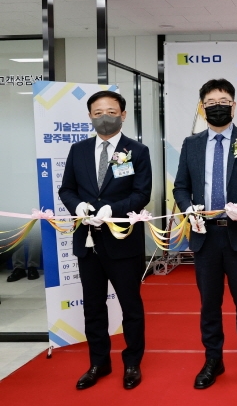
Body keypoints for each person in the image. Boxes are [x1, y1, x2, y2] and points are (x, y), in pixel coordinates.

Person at [173, 78, 237, 390]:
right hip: (204, 236)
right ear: (202, 108)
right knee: (209, 305)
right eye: (211, 103)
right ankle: (213, 359)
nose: (218, 107)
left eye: (223, 102)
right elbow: (181, 187)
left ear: (234, 106)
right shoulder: (191, 145)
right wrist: (187, 208)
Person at [59, 90, 152, 390]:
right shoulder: (78, 150)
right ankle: (98, 362)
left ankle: (132, 362)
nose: (104, 118)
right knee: (93, 306)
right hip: (87, 241)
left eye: (111, 112)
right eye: (98, 113)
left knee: (130, 306)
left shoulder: (137, 151)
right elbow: (66, 189)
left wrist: (114, 209)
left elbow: (141, 193)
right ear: (89, 116)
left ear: (123, 115)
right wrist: (77, 207)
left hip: (123, 242)